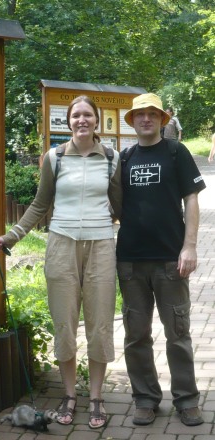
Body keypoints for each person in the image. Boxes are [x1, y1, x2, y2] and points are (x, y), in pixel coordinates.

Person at [0, 95, 122, 429]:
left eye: (87, 115)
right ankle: (69, 395)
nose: (82, 120)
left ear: (97, 120)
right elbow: (39, 204)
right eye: (76, 115)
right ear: (68, 121)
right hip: (61, 245)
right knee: (64, 322)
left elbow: (122, 206)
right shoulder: (55, 157)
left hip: (101, 246)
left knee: (100, 324)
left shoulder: (111, 158)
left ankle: (96, 398)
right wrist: (12, 236)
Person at [118, 93, 206, 426]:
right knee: (136, 335)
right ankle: (145, 399)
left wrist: (190, 246)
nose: (146, 119)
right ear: (132, 121)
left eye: (152, 114)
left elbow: (191, 199)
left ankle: (186, 399)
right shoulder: (124, 158)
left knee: (178, 334)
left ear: (161, 120)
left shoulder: (175, 152)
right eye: (140, 114)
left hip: (171, 260)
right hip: (130, 262)